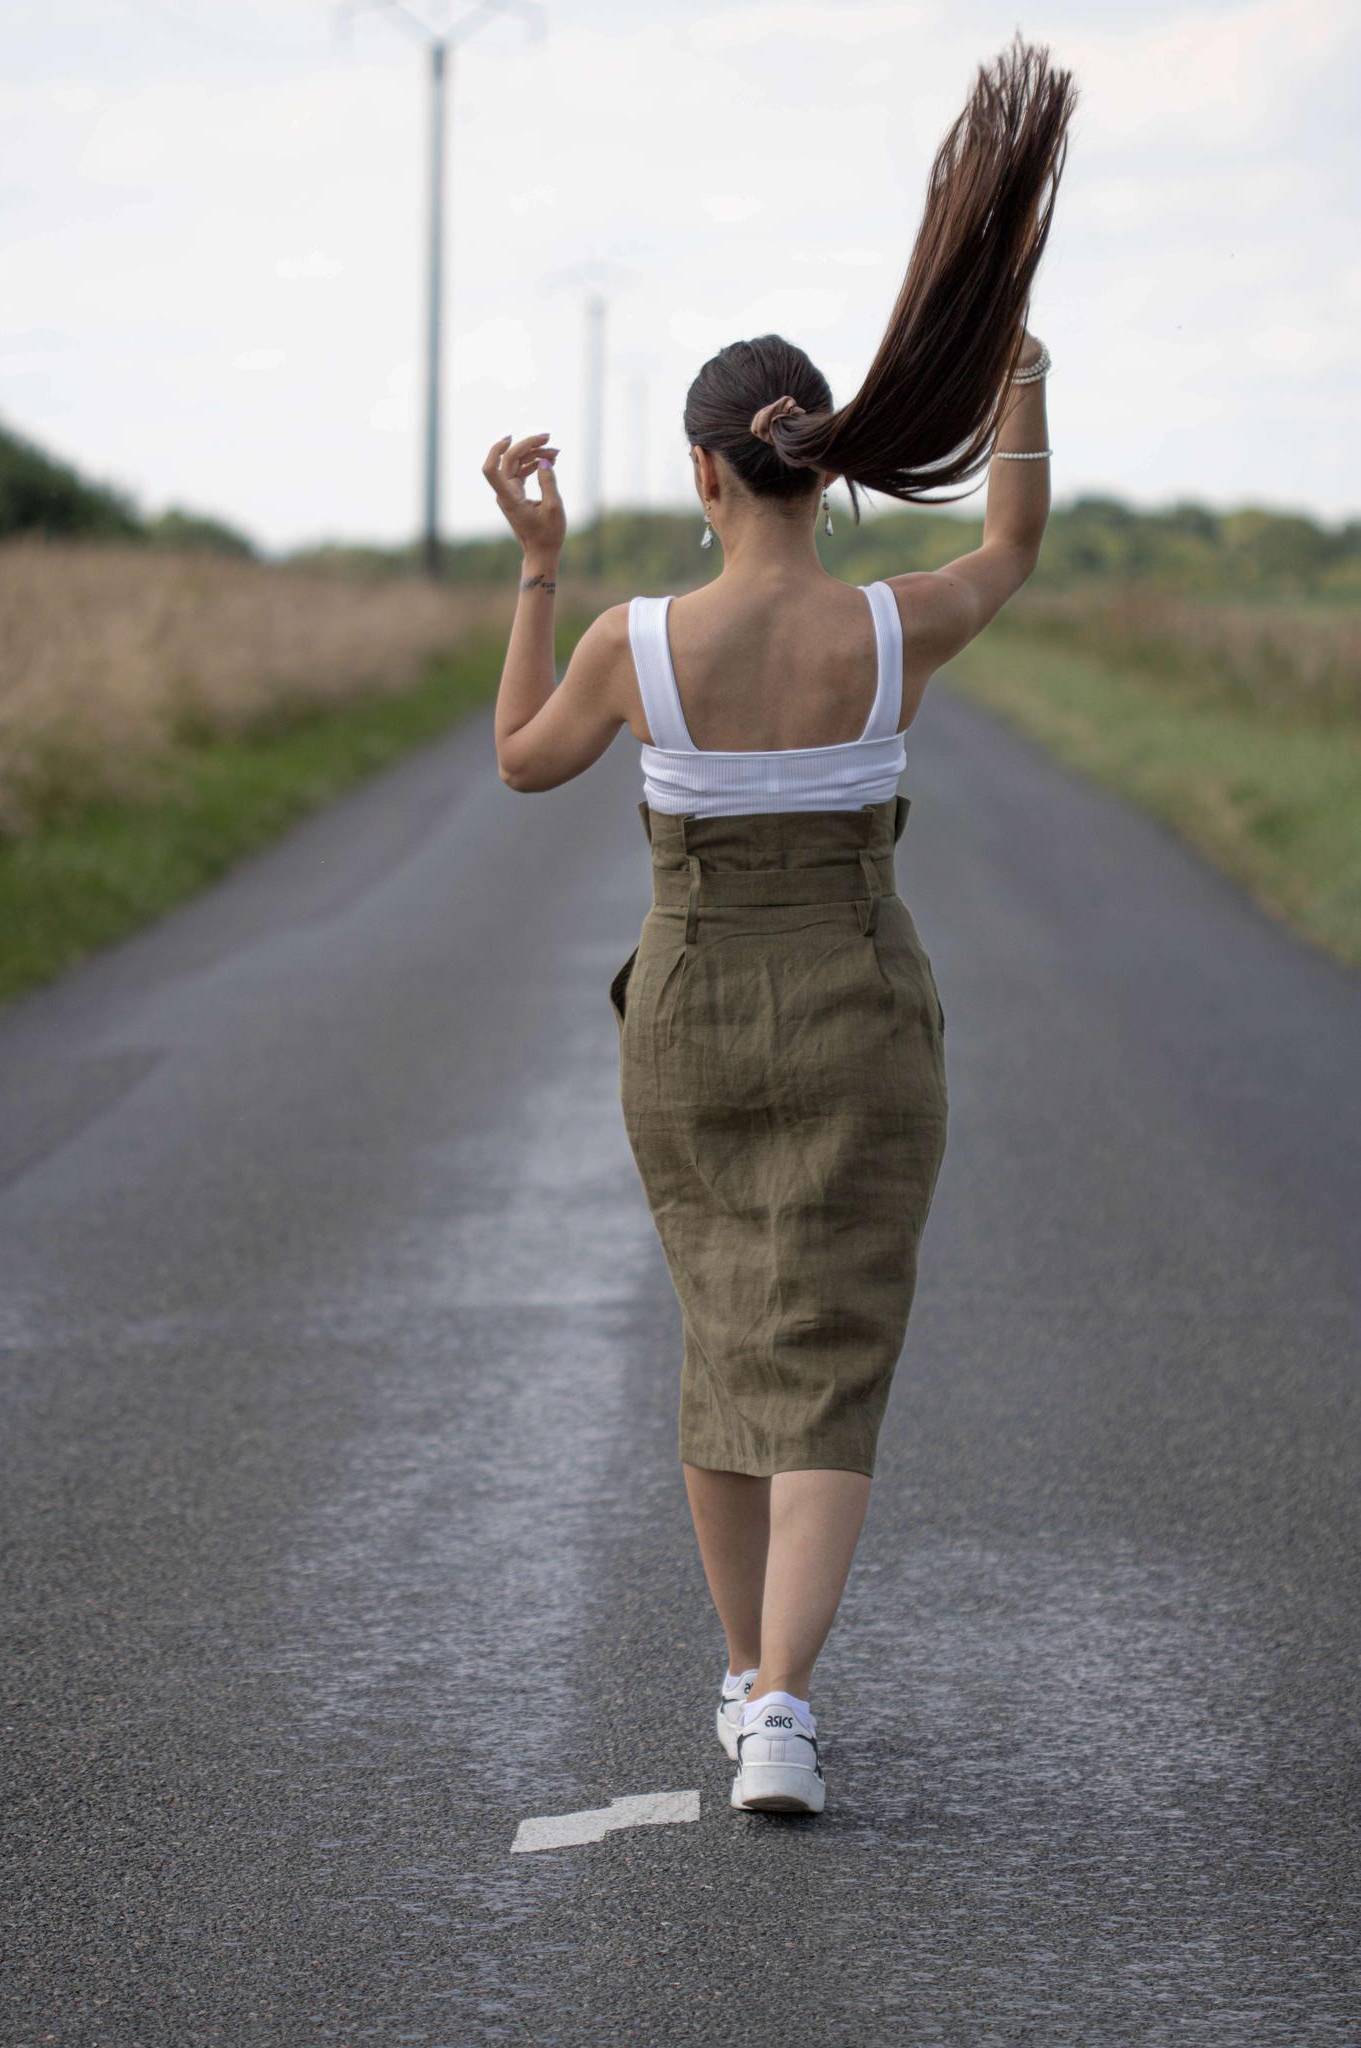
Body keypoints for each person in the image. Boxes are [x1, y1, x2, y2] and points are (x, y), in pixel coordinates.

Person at [482, 35, 1077, 1817]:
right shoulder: (894, 629)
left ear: (705, 475)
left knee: (721, 1333)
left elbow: (519, 766)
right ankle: (785, 1709)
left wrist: (533, 563)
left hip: (683, 1019)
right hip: (859, 1009)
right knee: (829, 1352)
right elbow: (1016, 542)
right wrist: (1022, 376)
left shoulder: (633, 641)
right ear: (822, 470)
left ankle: (748, 1680)